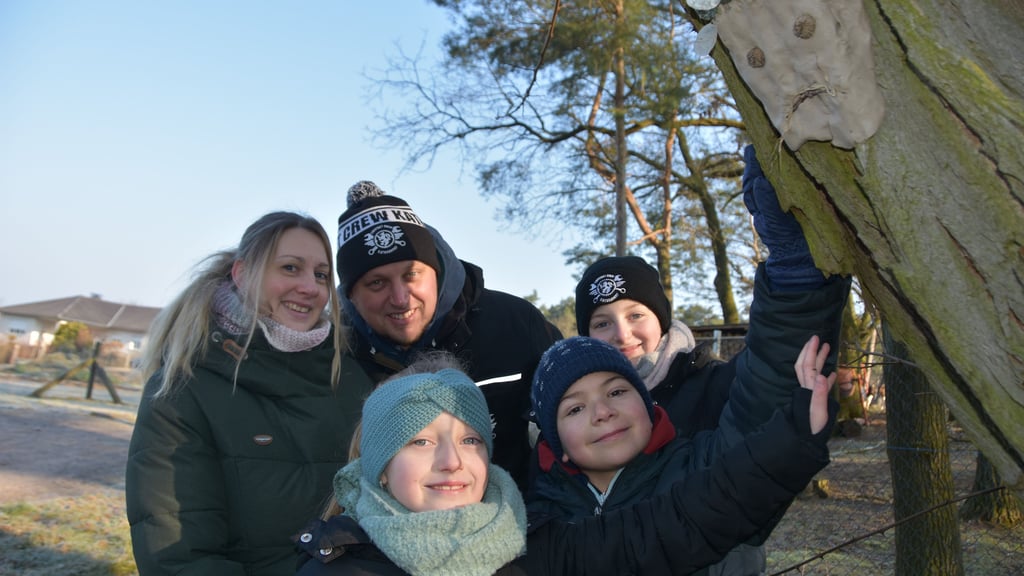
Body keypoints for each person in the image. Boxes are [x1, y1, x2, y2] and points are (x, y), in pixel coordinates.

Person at [295, 344, 836, 575]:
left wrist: (790, 439)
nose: (451, 462)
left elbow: (681, 521)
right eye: (419, 441)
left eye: (470, 441)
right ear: (379, 468)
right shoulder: (344, 563)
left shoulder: (530, 543)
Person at [570, 145, 852, 574]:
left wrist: (796, 275)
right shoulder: (567, 419)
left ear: (662, 321)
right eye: (602, 323)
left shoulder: (712, 385)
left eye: (635, 315)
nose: (622, 335)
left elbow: (772, 382)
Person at [125, 211, 375, 576]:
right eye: (290, 268)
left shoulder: (351, 376)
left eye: (321, 275)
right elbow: (178, 555)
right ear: (242, 274)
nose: (310, 287)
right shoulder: (184, 389)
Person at [525, 335, 836, 575]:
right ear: (556, 445)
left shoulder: (703, 465)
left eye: (617, 392)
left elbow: (747, 472)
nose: (603, 412)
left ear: (648, 407)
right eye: (575, 408)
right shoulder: (537, 519)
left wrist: (794, 433)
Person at [335, 181, 562, 490]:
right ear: (351, 296)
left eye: (411, 274)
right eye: (377, 283)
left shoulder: (516, 324)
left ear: (436, 272)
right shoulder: (336, 360)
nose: (401, 298)